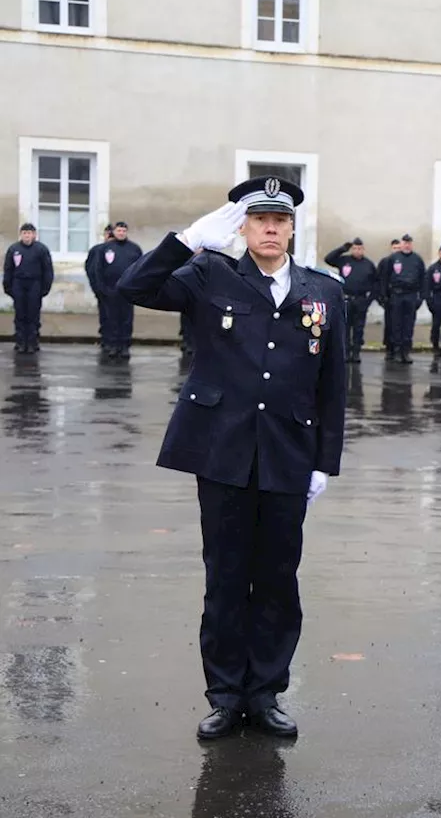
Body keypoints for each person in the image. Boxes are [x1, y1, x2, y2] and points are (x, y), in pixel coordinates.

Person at [116, 176, 346, 740]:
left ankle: (265, 693)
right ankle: (224, 695)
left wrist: (323, 462)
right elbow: (132, 287)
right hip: (222, 451)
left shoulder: (325, 290)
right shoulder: (208, 274)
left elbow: (334, 382)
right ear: (241, 226)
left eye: (281, 219)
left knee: (276, 580)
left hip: (289, 455)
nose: (271, 228)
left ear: (293, 227)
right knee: (225, 578)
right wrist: (188, 239)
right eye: (259, 219)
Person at [85, 222, 144, 359]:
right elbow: (97, 269)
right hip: (110, 290)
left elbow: (140, 269)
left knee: (126, 319)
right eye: (119, 230)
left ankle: (124, 346)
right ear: (114, 232)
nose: (121, 233)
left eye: (124, 230)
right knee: (111, 319)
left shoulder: (134, 249)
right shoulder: (105, 249)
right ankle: (112, 345)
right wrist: (101, 288)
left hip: (128, 291)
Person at [324, 238, 378, 363]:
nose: (357, 251)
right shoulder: (344, 260)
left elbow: (376, 283)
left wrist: (369, 300)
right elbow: (328, 259)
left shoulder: (368, 264)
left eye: (360, 248)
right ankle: (346, 352)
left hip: (361, 300)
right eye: (354, 248)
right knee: (345, 328)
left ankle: (356, 352)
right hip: (346, 299)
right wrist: (342, 249)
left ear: (363, 250)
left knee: (359, 328)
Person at [3, 223, 55, 354]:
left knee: (33, 314)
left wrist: (45, 287)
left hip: (34, 284)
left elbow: (47, 270)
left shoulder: (41, 249)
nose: (27, 236)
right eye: (24, 233)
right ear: (21, 234)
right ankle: (20, 342)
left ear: (34, 235)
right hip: (18, 283)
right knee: (20, 314)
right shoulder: (14, 249)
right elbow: (8, 269)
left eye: (29, 233)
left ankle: (32, 342)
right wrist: (7, 286)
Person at [381, 235, 428, 364]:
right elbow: (385, 277)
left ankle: (405, 351)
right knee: (396, 324)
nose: (407, 245)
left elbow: (423, 279)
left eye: (409, 243)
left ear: (411, 244)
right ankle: (396, 351)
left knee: (408, 324)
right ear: (401, 244)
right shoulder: (393, 258)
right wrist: (385, 295)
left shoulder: (417, 259)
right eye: (405, 243)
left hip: (411, 295)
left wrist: (421, 297)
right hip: (396, 295)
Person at [85, 225, 114, 348]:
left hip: (119, 290)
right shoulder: (97, 250)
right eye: (109, 234)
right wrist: (96, 288)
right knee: (105, 315)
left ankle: (115, 341)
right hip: (102, 289)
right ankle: (106, 339)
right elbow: (91, 269)